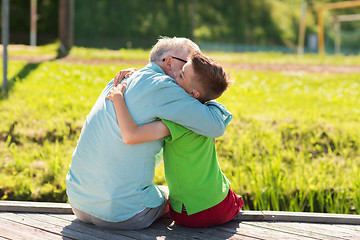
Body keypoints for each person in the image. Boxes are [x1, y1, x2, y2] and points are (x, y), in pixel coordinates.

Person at [66, 37, 232, 230]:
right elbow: (215, 126)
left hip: (78, 202)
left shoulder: (122, 79)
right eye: (189, 62)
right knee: (176, 198)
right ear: (169, 62)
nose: (194, 68)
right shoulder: (164, 86)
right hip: (122, 213)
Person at [106, 51, 244, 228]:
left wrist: (118, 98)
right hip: (221, 206)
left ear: (194, 93)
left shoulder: (177, 122)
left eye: (181, 75)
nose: (174, 75)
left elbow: (131, 135)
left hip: (189, 214)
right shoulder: (209, 116)